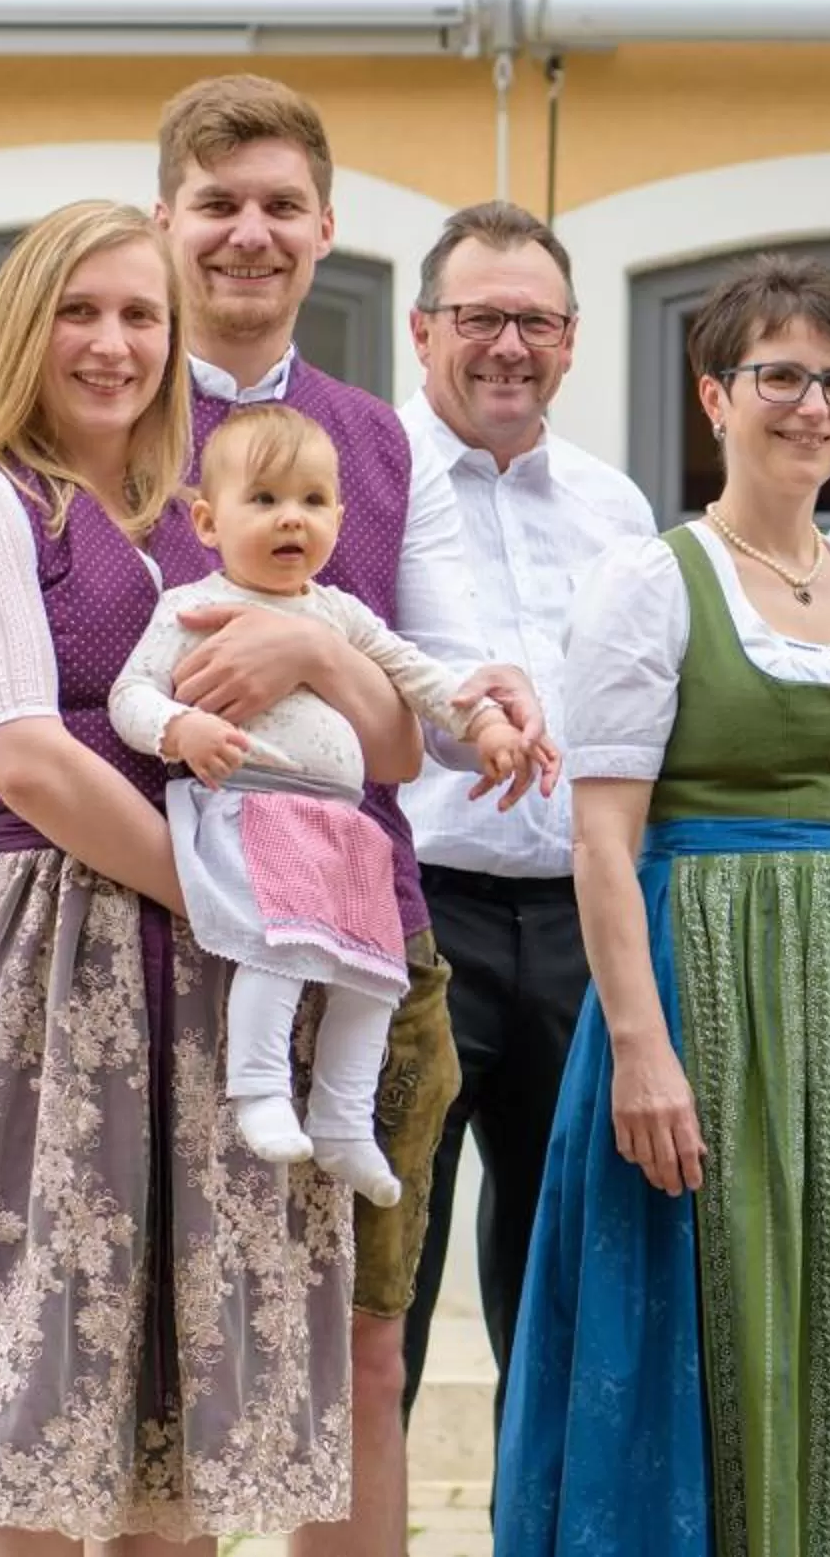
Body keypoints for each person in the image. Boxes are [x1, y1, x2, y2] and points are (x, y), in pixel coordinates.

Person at [499, 252, 830, 1556]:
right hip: (710, 998)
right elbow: (603, 840)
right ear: (715, 395)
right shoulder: (654, 580)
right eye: (779, 374)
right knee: (720, 1311)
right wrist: (639, 1048)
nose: (814, 404)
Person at [0, 201, 353, 1545]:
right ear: (27, 330)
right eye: (80, 311)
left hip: (194, 973)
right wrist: (224, 906)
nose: (112, 341)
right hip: (65, 959)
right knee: (48, 1379)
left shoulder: (165, 537)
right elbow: (24, 754)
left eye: (142, 314)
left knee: (175, 1413)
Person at [149, 74, 548, 1557]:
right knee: (175, 1349)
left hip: (368, 926)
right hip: (169, 930)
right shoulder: (114, 403)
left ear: (326, 230)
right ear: (166, 225)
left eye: (277, 207)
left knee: (366, 1342)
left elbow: (404, 732)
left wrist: (321, 648)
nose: (248, 235)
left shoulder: (383, 444)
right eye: (216, 205)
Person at [109, 403, 531, 1202]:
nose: (289, 519)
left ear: (339, 516)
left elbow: (417, 675)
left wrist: (484, 721)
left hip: (342, 829)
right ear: (207, 519)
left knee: (372, 977)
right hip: (256, 810)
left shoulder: (338, 612)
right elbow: (131, 692)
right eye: (263, 500)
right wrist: (180, 729)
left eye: (310, 501)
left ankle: (343, 1119)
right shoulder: (193, 606)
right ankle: (260, 1088)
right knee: (284, 952)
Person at [396, 202, 659, 1422]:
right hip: (408, 914)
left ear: (572, 339)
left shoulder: (618, 510)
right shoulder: (365, 483)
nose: (509, 343)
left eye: (535, 320)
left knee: (561, 1280)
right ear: (421, 330)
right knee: (378, 1272)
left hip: (576, 921)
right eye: (480, 316)